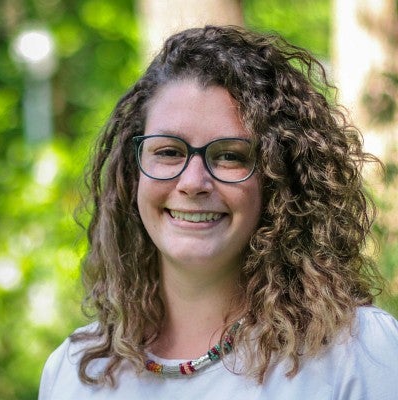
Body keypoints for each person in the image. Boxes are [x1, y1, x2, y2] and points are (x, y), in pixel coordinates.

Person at [38, 25, 398, 399]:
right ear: (132, 174)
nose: (193, 182)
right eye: (168, 151)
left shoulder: (356, 354)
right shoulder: (76, 372)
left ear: (278, 181)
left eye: (229, 155)